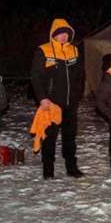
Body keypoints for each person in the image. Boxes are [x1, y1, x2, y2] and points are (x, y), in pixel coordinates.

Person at [31, 18, 85, 179]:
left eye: (66, 33)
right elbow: (36, 77)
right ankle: (48, 170)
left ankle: (72, 167)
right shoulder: (43, 50)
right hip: (51, 104)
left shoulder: (74, 50)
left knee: (70, 137)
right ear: (53, 34)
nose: (63, 36)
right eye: (60, 33)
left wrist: (77, 95)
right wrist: (42, 98)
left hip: (70, 104)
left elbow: (80, 76)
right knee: (49, 138)